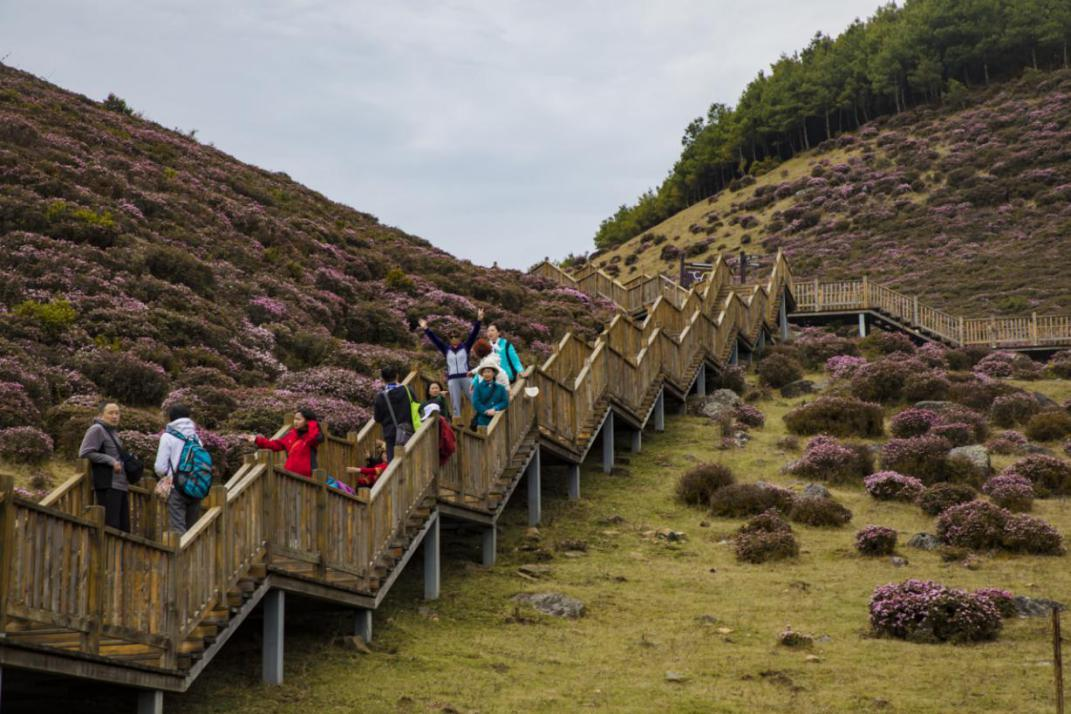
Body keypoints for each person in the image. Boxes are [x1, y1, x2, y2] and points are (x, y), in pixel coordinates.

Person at [419, 308, 483, 419]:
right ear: (449, 339)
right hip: (453, 379)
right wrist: (426, 328)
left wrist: (479, 320)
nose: (454, 339)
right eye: (451, 337)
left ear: (460, 337)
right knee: (455, 404)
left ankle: (482, 416)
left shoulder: (465, 347)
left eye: (456, 336)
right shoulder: (446, 349)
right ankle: (457, 422)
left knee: (475, 398)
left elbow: (474, 334)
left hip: (466, 377)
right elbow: (435, 340)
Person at [78, 402, 131, 532]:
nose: (114, 416)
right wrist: (111, 461)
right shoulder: (97, 429)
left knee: (123, 528)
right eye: (110, 413)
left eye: (117, 413)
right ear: (101, 415)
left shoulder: (113, 432)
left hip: (120, 484)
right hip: (108, 484)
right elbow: (85, 452)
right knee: (111, 527)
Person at [153, 403, 204, 535]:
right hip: (195, 486)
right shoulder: (196, 438)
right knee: (193, 529)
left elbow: (160, 467)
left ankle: (181, 555)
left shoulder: (167, 437)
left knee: (178, 529)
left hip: (177, 487)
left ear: (171, 418)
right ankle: (193, 555)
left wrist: (165, 477)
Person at [245, 409, 323, 478]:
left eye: (298, 419)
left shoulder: (314, 436)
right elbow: (274, 445)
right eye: (295, 419)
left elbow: (313, 439)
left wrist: (313, 424)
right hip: (289, 475)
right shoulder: (291, 434)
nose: (295, 421)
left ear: (307, 421)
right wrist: (257, 440)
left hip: (307, 479)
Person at [373, 366, 418, 462]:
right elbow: (416, 406)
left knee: (393, 462)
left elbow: (377, 418)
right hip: (408, 430)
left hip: (391, 434)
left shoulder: (380, 397)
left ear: (382, 379)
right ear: (397, 376)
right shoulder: (407, 390)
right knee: (410, 459)